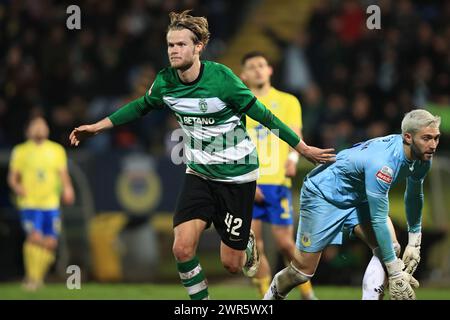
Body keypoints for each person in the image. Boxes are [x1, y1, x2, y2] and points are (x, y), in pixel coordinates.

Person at [69, 10, 335, 300]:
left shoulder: (222, 79)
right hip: (199, 173)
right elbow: (140, 106)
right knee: (181, 248)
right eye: (170, 45)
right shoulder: (165, 82)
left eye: (181, 44)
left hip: (237, 176)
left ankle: (244, 243)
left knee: (231, 265)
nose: (173, 50)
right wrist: (98, 126)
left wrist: (303, 148)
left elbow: (266, 116)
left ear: (198, 47)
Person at [263, 109, 440, 300]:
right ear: (407, 137)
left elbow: (414, 196)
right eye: (427, 138)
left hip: (358, 195)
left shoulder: (422, 157)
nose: (433, 145)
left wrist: (415, 241)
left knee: (389, 248)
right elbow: (378, 218)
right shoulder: (384, 164)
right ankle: (271, 297)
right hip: (324, 194)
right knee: (301, 273)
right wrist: (395, 273)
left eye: (436, 138)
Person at [240, 51, 317, 300]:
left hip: (277, 182)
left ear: (270, 70)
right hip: (248, 182)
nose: (258, 70)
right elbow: (234, 144)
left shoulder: (288, 101)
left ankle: (307, 294)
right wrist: (247, 178)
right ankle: (266, 298)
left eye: (262, 65)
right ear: (243, 75)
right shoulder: (238, 104)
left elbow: (295, 133)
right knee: (253, 246)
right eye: (252, 67)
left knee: (285, 243)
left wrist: (293, 159)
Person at [8, 116, 75, 291]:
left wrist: (68, 189)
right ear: (28, 130)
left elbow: (63, 174)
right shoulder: (20, 151)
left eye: (42, 125)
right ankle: (32, 279)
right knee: (35, 238)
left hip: (51, 203)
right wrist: (17, 187)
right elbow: (12, 177)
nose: (39, 128)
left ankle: (37, 278)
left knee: (50, 242)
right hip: (30, 202)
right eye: (35, 125)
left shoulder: (57, 150)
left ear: (47, 129)